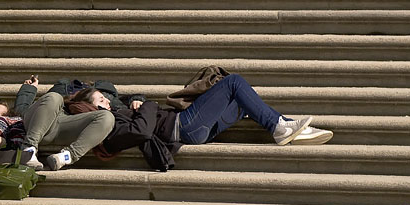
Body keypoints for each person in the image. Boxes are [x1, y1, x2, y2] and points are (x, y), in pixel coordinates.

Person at [98, 73, 334, 172]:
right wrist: (148, 104)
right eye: (103, 98)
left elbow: (133, 103)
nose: (108, 101)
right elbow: (142, 129)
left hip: (194, 131)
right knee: (233, 82)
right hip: (184, 126)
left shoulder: (119, 108)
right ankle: (282, 128)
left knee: (242, 102)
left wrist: (137, 99)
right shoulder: (111, 119)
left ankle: (286, 125)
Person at [12, 75, 116, 171]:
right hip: (39, 123)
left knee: (108, 117)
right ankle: (28, 150)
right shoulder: (60, 97)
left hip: (65, 126)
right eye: (101, 100)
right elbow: (22, 110)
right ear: (85, 102)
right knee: (54, 97)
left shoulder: (98, 114)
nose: (108, 101)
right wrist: (29, 89)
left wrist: (133, 100)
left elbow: (124, 111)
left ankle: (66, 157)